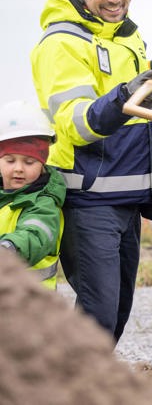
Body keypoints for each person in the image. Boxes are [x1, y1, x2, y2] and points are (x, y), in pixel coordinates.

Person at [30, 0, 152, 342]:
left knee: (116, 311)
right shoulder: (62, 43)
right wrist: (127, 94)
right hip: (88, 199)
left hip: (125, 197)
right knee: (98, 313)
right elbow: (78, 124)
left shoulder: (127, 38)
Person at [0, 100, 66, 289]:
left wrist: (8, 248)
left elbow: (36, 236)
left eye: (29, 162)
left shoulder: (45, 204)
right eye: (10, 160)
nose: (19, 169)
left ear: (42, 163)